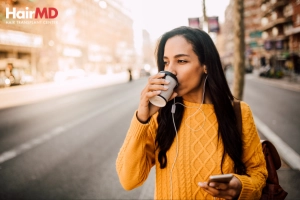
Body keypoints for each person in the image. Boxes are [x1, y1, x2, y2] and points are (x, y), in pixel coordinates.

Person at [116, 26, 267, 200]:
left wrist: (241, 187)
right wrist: (142, 118)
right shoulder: (160, 116)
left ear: (206, 66)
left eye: (181, 61)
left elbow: (259, 174)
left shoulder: (238, 112)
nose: (170, 70)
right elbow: (128, 181)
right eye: (166, 62)